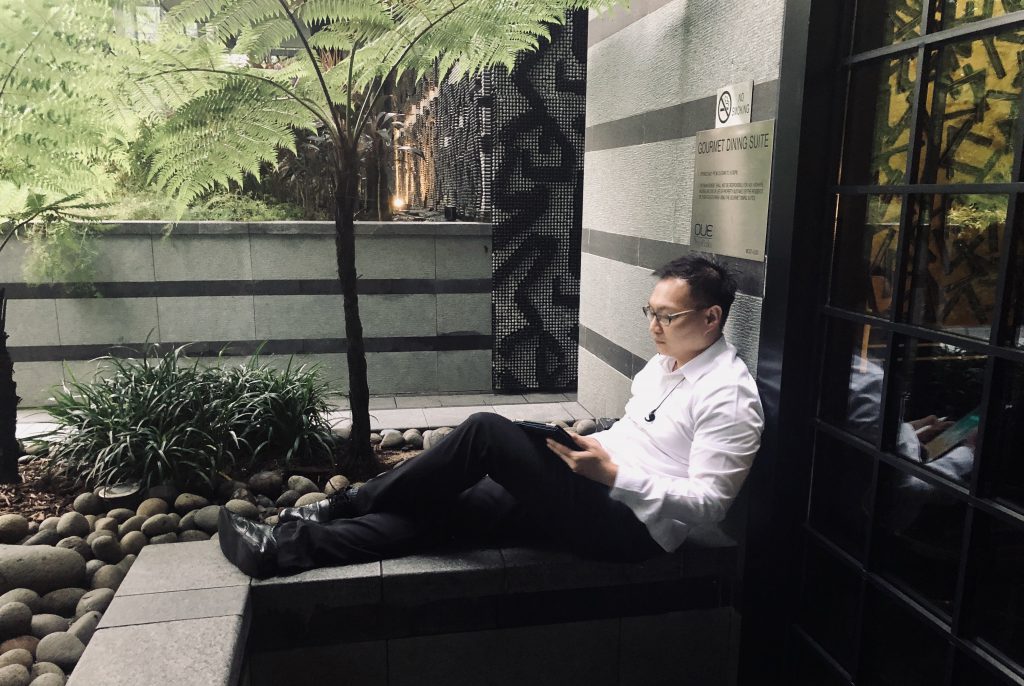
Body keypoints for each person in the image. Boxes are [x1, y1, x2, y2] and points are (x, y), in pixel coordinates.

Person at [218, 255, 765, 578]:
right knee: (448, 512)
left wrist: (614, 474)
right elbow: (637, 432)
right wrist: (590, 445)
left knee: (485, 430)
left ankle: (345, 503)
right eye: (650, 312)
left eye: (667, 316)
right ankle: (279, 548)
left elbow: (710, 504)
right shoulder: (665, 364)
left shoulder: (729, 396)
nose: (653, 326)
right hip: (588, 486)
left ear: (711, 317)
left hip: (629, 529)